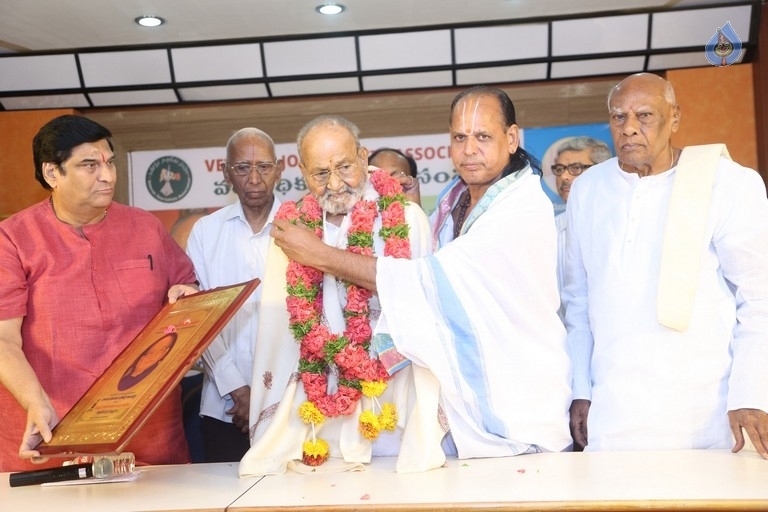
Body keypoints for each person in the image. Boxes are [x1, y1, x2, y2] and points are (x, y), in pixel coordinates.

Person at [266, 86, 572, 467]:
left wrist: (320, 255)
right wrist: (362, 182)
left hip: (518, 407)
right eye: (459, 137)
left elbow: (427, 281)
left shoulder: (522, 208)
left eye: (483, 136)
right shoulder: (456, 196)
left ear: (511, 138)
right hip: (464, 412)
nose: (469, 148)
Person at [563, 72, 768, 458]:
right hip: (613, 417)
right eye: (618, 117)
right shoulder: (588, 189)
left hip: (706, 417)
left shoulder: (728, 183)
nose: (629, 129)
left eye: (645, 115)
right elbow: (577, 300)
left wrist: (751, 392)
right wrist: (581, 390)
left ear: (674, 118)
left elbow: (760, 298)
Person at [0, 114, 199, 472]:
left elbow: (188, 289)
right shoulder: (13, 239)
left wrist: (188, 294)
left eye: (109, 162)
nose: (107, 176)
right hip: (52, 431)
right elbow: (3, 340)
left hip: (147, 434)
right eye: (89, 165)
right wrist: (36, 401)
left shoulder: (145, 226)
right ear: (52, 174)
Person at [239, 115, 432, 476]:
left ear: (363, 157)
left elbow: (415, 304)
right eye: (320, 173)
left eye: (344, 166)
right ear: (301, 171)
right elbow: (278, 328)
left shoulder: (406, 218)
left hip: (388, 409)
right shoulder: (290, 231)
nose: (335, 184)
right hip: (315, 420)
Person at [185, 127, 284, 462]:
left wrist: (271, 395)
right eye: (242, 168)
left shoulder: (302, 227)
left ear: (279, 169)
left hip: (292, 405)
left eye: (264, 168)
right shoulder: (206, 232)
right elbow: (201, 316)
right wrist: (238, 391)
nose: (254, 179)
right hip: (224, 408)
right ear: (226, 172)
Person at [550, 137, 611, 320]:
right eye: (559, 169)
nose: (564, 177)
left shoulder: (618, 223)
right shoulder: (548, 230)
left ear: (602, 172)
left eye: (576, 168)